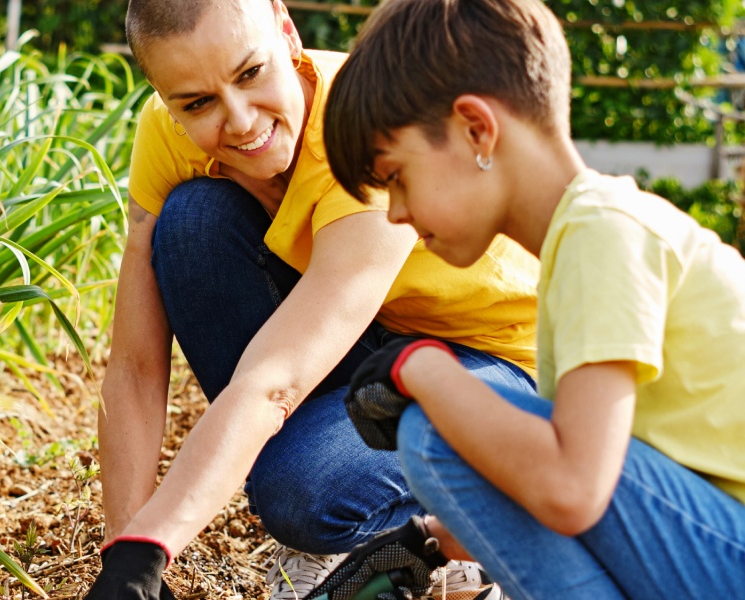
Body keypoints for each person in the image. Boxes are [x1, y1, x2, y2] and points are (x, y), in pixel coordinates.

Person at [88, 0, 541, 598]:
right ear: (164, 98)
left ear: (286, 29)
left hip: (500, 365)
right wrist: (124, 559)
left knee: (304, 490)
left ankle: (479, 528)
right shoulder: (165, 136)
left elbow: (276, 380)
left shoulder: (371, 134)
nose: (242, 121)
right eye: (197, 103)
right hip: (376, 341)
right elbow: (135, 365)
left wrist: (150, 546)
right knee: (192, 223)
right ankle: (359, 525)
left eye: (251, 74)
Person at [312, 0, 745, 598]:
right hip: (715, 541)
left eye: (396, 176)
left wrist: (424, 369)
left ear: (476, 130)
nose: (397, 212)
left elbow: (572, 490)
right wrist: (433, 540)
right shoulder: (588, 239)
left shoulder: (603, 231)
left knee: (436, 433)